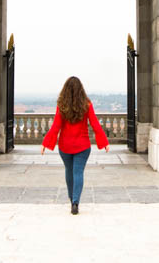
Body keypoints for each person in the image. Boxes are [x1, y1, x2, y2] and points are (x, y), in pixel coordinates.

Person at [41, 76, 109, 215]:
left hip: (65, 146)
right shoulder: (87, 104)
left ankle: (72, 198)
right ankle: (75, 202)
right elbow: (95, 124)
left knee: (69, 172)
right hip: (83, 146)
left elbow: (56, 126)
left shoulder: (61, 105)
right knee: (78, 172)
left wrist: (45, 143)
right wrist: (104, 142)